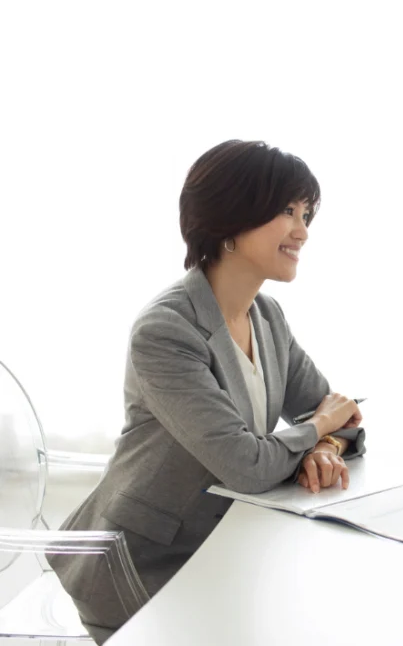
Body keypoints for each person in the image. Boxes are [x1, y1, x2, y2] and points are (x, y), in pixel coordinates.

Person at [49, 140, 366, 643]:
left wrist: (325, 445)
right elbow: (247, 465)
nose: (303, 230)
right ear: (230, 221)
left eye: (306, 213)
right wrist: (318, 428)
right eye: (287, 211)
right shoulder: (167, 329)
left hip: (226, 548)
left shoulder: (267, 316)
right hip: (142, 564)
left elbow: (342, 415)